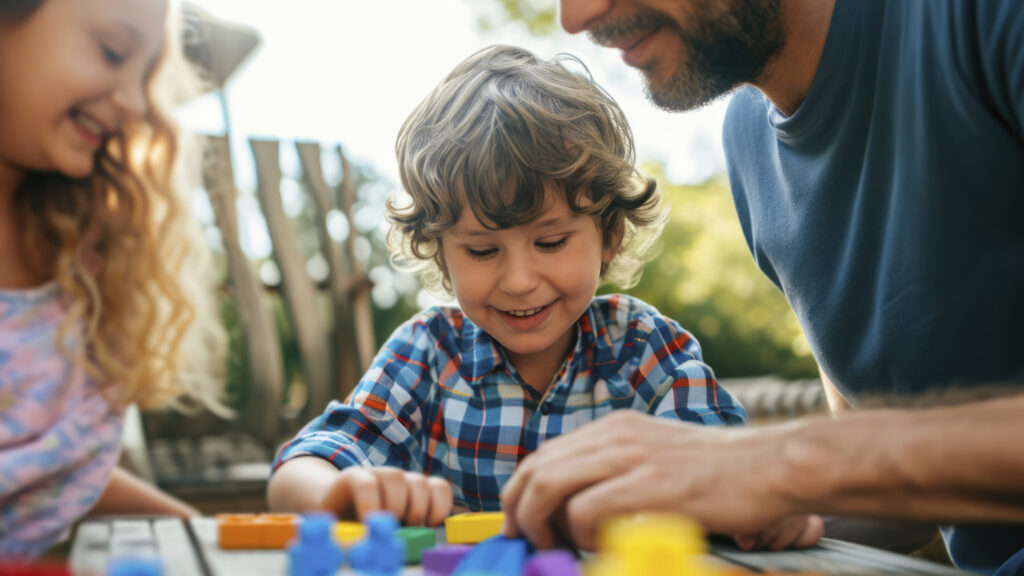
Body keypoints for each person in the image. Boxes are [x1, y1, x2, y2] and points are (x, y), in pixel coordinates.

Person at [500, 0, 1024, 574]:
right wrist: (715, 509)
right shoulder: (750, 140)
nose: (576, 16)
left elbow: (834, 462)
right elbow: (896, 480)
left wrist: (777, 461)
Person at [267, 44, 822, 551]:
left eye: (551, 241)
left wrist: (762, 508)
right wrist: (341, 493)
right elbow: (301, 470)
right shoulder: (426, 353)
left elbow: (729, 469)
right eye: (482, 251)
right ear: (441, 254)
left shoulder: (645, 349)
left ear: (608, 236)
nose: (518, 280)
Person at [0, 0, 226, 559]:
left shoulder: (79, 261)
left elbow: (47, 475)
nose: (135, 104)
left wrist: (207, 542)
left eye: (145, 75)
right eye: (111, 51)